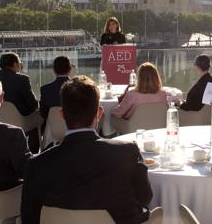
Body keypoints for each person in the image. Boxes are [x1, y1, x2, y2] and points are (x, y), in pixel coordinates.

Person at [21, 75, 153, 224]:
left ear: (62, 115)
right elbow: (145, 197)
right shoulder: (127, 152)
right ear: (99, 113)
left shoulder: (36, 165)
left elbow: (29, 218)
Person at [0, 52, 43, 152]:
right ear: (15, 64)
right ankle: (33, 153)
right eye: (19, 62)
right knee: (39, 116)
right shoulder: (22, 79)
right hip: (20, 121)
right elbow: (33, 104)